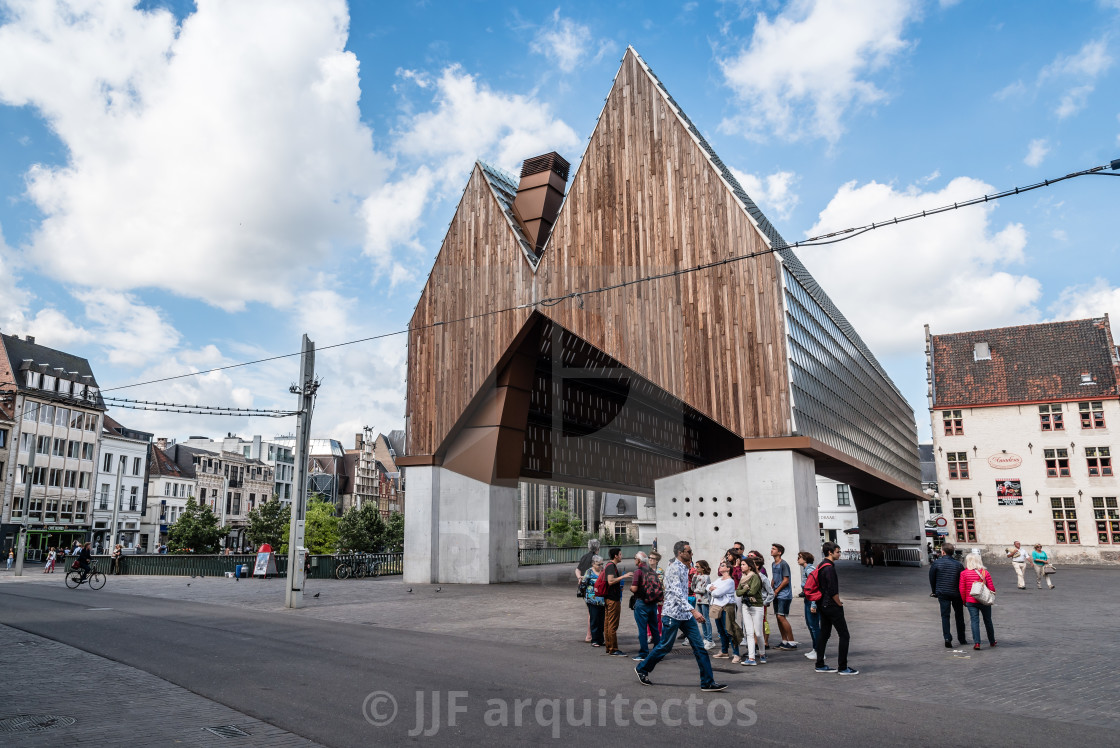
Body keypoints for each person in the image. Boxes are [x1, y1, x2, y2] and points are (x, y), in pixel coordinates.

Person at [635, 540, 727, 692]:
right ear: (680, 553)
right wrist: (694, 611)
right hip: (673, 614)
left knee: (700, 648)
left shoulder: (686, 568)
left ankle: (707, 682)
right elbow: (677, 594)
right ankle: (642, 668)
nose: (691, 554)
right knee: (665, 647)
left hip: (685, 615)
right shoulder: (673, 569)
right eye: (689, 552)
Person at [814, 541, 858, 675]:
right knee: (844, 635)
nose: (839, 554)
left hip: (822, 604)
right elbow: (832, 590)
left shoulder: (821, 565)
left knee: (824, 634)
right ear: (830, 552)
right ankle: (843, 667)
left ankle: (819, 664)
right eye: (838, 552)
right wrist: (839, 603)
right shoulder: (829, 568)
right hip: (831, 605)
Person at [928, 542, 968, 648]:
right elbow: (962, 580)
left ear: (943, 552)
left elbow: (932, 578)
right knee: (959, 615)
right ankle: (962, 638)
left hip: (942, 592)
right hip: (956, 593)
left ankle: (947, 638)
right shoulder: (958, 564)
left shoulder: (936, 563)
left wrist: (934, 591)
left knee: (945, 616)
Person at [959, 553, 997, 649]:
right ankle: (992, 641)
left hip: (971, 601)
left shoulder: (963, 573)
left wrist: (964, 601)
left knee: (974, 621)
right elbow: (992, 587)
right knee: (988, 620)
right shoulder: (985, 573)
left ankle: (977, 643)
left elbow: (962, 589)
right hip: (984, 600)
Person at [707, 561, 740, 662]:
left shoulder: (730, 581)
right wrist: (711, 588)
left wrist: (713, 589)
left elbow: (717, 593)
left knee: (729, 630)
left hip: (727, 607)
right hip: (717, 607)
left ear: (728, 568)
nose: (720, 567)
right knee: (721, 631)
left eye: (722, 565)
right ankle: (724, 651)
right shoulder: (719, 579)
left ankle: (736, 654)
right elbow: (708, 586)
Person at [630, 551, 660, 661]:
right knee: (654, 628)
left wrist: (630, 588)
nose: (634, 560)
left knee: (642, 629)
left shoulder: (638, 572)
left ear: (638, 560)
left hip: (642, 602)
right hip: (653, 603)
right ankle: (657, 652)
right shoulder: (651, 571)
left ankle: (643, 653)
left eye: (635, 558)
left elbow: (634, 588)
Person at [603, 547, 633, 656]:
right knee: (612, 624)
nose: (622, 556)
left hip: (609, 598)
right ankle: (613, 649)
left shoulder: (609, 565)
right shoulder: (611, 566)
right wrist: (623, 576)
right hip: (612, 599)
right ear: (615, 556)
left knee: (608, 624)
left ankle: (609, 647)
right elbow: (610, 581)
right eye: (620, 554)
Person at [737, 556, 765, 665]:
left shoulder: (755, 577)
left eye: (743, 564)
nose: (741, 566)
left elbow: (753, 591)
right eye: (741, 565)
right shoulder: (743, 577)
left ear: (750, 566)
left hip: (756, 606)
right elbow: (738, 592)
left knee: (758, 633)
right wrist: (745, 588)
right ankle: (751, 658)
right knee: (748, 633)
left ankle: (762, 653)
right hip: (746, 606)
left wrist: (744, 590)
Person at [770, 543, 798, 649]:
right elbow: (774, 578)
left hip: (784, 595)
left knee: (781, 616)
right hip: (776, 594)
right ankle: (784, 641)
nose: (771, 550)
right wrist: (770, 589)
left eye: (774, 549)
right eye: (771, 548)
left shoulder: (783, 564)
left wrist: (776, 590)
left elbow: (786, 580)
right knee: (778, 617)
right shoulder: (773, 564)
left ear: (779, 552)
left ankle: (791, 642)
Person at [575, 539, 601, 642]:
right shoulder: (596, 559)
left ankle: (591, 634)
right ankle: (590, 635)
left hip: (584, 588)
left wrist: (580, 578)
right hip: (593, 589)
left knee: (591, 611)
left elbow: (577, 569)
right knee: (593, 612)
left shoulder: (584, 557)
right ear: (597, 548)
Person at [797, 551, 821, 661]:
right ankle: (815, 648)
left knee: (814, 626)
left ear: (805, 559)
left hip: (812, 600)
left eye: (800, 557)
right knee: (810, 625)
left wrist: (814, 604)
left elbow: (815, 587)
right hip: (808, 600)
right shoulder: (807, 569)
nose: (798, 559)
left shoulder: (810, 569)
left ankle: (819, 650)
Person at [582, 556, 606, 647]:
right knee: (594, 619)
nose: (600, 566)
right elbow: (583, 584)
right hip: (592, 600)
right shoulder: (589, 572)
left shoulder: (603, 571)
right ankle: (595, 640)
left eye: (601, 564)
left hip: (602, 600)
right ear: (593, 564)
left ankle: (601, 639)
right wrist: (586, 595)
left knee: (602, 620)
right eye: (598, 564)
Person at [692, 560, 713, 648]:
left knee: (706, 619)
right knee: (702, 619)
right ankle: (705, 637)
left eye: (698, 567)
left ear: (703, 568)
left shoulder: (706, 577)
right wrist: (694, 578)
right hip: (699, 600)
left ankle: (710, 639)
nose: (696, 568)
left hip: (705, 600)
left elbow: (703, 590)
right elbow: (692, 588)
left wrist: (696, 590)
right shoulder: (697, 576)